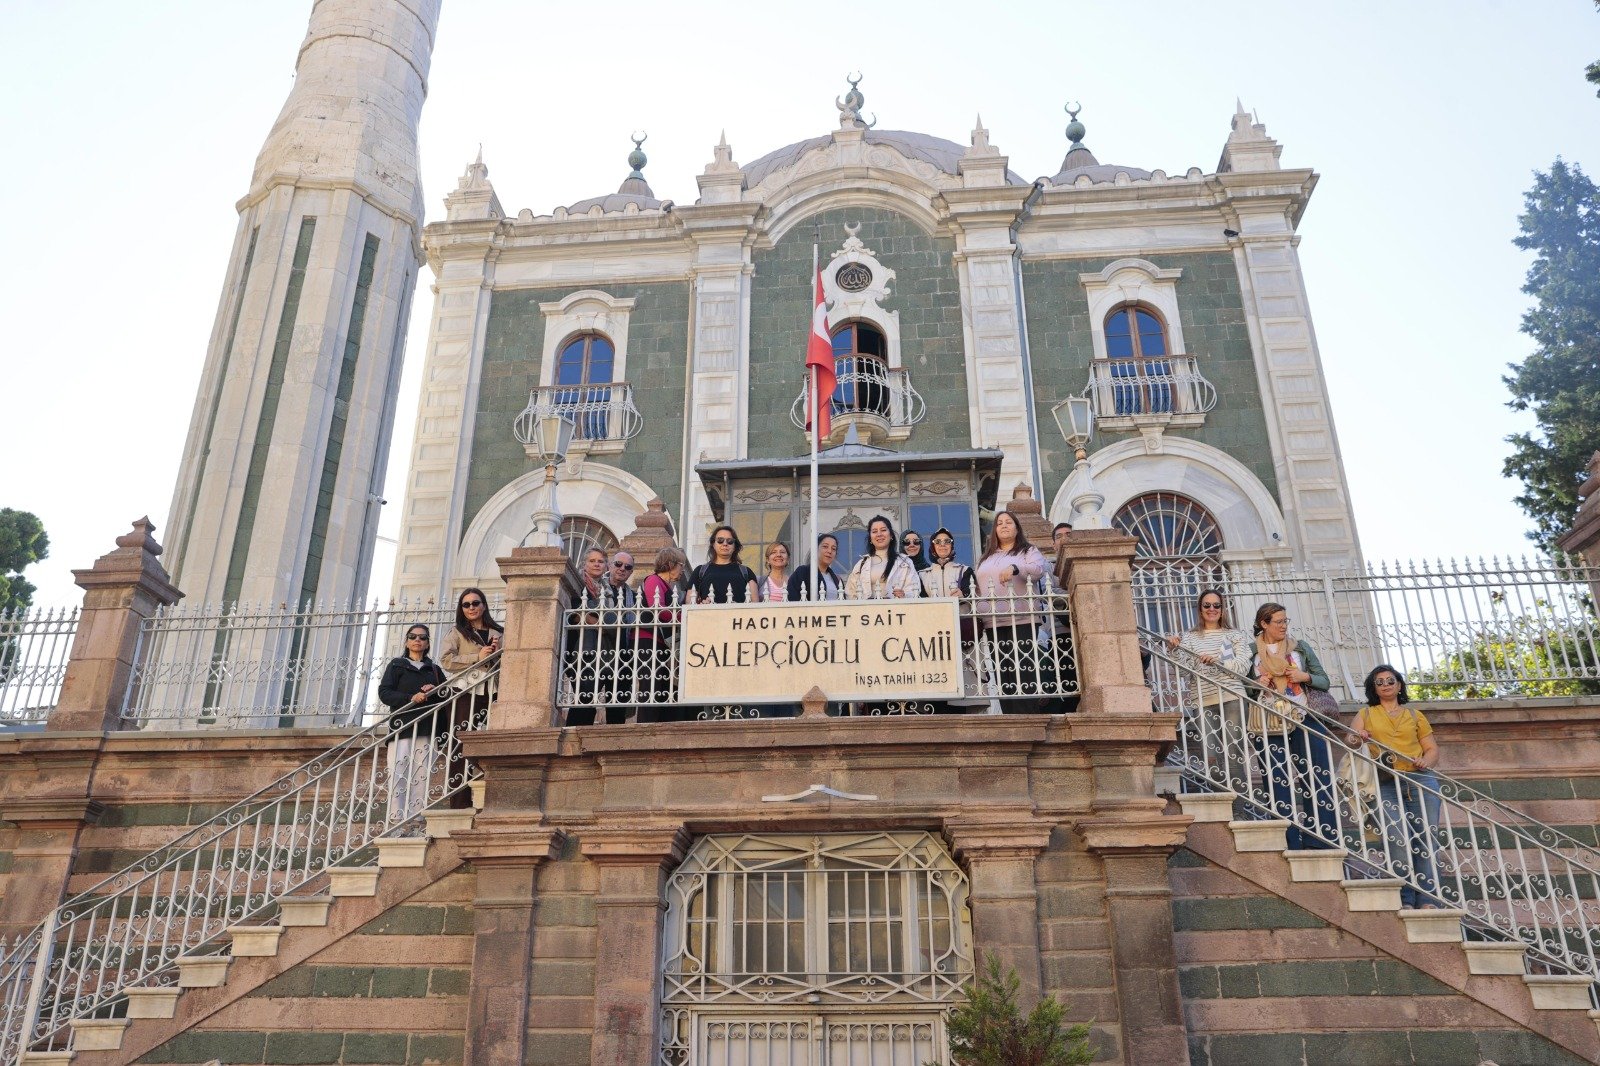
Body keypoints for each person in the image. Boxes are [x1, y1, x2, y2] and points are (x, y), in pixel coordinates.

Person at [1248, 602, 1338, 850]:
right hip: (1267, 719)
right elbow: (1244, 687)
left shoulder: (1300, 648)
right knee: (1276, 780)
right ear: (1264, 624)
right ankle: (1288, 842)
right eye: (1278, 622)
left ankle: (1321, 840)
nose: (1284, 626)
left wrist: (1304, 677)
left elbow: (1324, 680)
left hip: (1304, 716)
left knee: (1317, 775)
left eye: (1286, 621)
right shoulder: (1251, 651)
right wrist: (1257, 682)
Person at [1351, 665, 1442, 909]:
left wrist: (1426, 760)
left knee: (1426, 838)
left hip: (1420, 779)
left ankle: (1428, 899)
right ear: (1374, 688)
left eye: (1390, 680)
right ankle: (1405, 899)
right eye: (1379, 682)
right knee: (1396, 837)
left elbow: (1432, 749)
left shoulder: (1414, 715)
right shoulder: (1366, 713)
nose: (1386, 685)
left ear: (1399, 685)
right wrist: (1358, 736)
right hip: (1384, 780)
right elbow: (1350, 740)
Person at [1167, 590, 1252, 789]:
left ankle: (1239, 812)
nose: (1212, 609)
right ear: (1200, 609)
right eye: (1207, 605)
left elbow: (1243, 669)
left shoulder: (1235, 635)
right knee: (1211, 759)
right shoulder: (1189, 638)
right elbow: (1183, 672)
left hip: (1232, 698)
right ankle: (1223, 810)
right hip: (1203, 702)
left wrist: (1219, 662)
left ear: (1222, 610)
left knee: (1234, 756)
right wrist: (1173, 651)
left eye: (1216, 605)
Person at [974, 510, 1049, 711]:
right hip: (993, 621)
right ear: (995, 530)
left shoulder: (1027, 551)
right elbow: (978, 588)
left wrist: (1016, 568)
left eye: (1009, 522)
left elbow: (1039, 570)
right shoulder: (985, 558)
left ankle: (1028, 717)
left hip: (1022, 618)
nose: (1004, 526)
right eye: (999, 523)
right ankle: (1011, 718)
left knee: (1023, 669)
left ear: (1017, 528)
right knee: (1002, 671)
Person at [377, 623, 448, 830]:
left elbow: (446, 697)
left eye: (422, 637)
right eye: (413, 636)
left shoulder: (434, 670)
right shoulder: (397, 665)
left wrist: (435, 690)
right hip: (402, 728)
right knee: (398, 772)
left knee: (421, 774)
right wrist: (410, 697)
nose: (418, 640)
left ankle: (417, 818)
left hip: (427, 728)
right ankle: (396, 819)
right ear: (407, 641)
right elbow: (385, 693)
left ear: (427, 644)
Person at [438, 588, 502, 805]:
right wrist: (477, 656)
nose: (472, 608)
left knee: (495, 743)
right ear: (461, 609)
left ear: (484, 605)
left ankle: (493, 798)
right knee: (461, 743)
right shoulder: (457, 632)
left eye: (476, 603)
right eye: (466, 605)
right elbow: (446, 661)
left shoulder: (499, 632)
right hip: (465, 692)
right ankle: (459, 802)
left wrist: (499, 653)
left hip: (493, 692)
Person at [920, 527, 973, 713]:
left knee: (959, 681)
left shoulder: (965, 570)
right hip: (931, 635)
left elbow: (974, 595)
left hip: (958, 633)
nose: (943, 545)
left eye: (947, 541)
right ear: (932, 547)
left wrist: (963, 593)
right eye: (938, 542)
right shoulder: (922, 574)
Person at [635, 548, 688, 721]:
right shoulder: (653, 580)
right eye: (681, 565)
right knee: (650, 684)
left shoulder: (668, 586)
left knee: (662, 684)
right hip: (648, 639)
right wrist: (685, 617)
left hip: (661, 641)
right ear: (671, 564)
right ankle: (645, 724)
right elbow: (658, 609)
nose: (683, 569)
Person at [564, 549, 610, 726]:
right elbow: (573, 612)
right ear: (585, 564)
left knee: (589, 697)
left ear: (606, 565)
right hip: (579, 648)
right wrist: (598, 624)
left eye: (600, 561)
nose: (597, 564)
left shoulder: (605, 589)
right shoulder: (579, 584)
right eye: (592, 561)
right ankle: (574, 730)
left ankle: (580, 730)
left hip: (598, 650)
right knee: (585, 694)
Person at [844, 515, 920, 600]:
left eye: (883, 530)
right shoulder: (861, 564)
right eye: (874, 531)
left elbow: (914, 589)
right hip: (867, 612)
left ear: (891, 535)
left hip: (896, 610)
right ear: (870, 538)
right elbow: (850, 592)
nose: (879, 534)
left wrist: (904, 595)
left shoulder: (905, 562)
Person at [689, 526, 758, 604]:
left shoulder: (746, 572)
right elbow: (689, 604)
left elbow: (755, 605)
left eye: (730, 541)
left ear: (735, 546)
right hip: (708, 615)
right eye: (720, 540)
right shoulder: (700, 571)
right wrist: (701, 605)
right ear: (713, 544)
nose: (725, 544)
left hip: (737, 615)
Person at [787, 533, 843, 602]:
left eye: (833, 549)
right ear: (816, 549)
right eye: (825, 546)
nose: (829, 551)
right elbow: (792, 598)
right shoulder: (802, 572)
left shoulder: (837, 579)